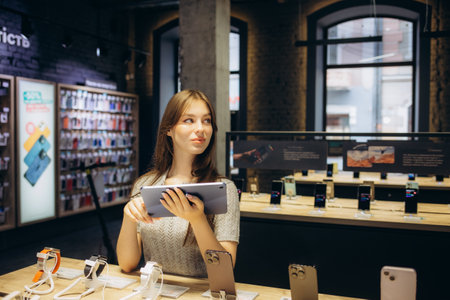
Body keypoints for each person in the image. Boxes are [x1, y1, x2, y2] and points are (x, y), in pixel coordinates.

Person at [116, 89, 240, 277]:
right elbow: (127, 264)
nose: (201, 128)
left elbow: (224, 269)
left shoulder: (223, 189)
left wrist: (197, 220)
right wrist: (128, 218)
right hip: (154, 291)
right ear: (168, 129)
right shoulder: (146, 184)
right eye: (188, 120)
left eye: (206, 120)